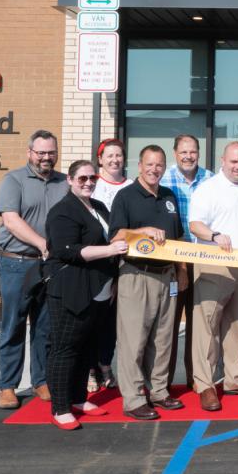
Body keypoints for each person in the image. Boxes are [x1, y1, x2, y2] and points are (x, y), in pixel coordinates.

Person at [43, 159, 127, 430]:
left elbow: (111, 238)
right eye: (82, 179)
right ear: (70, 180)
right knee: (65, 348)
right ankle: (60, 407)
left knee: (87, 347)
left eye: (92, 178)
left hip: (98, 288)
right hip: (71, 288)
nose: (88, 183)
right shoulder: (62, 212)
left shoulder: (100, 207)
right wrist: (111, 251)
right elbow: (69, 250)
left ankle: (79, 398)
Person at [108, 145, 188, 420]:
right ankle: (132, 399)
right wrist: (142, 231)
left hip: (167, 276)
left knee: (163, 340)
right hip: (136, 275)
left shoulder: (169, 196)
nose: (155, 170)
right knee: (134, 341)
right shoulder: (126, 196)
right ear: (140, 166)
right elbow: (115, 236)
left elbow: (177, 239)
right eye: (150, 165)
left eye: (160, 165)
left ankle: (160, 391)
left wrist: (182, 271)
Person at [188, 141, 238, 412]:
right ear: (223, 161)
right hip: (214, 266)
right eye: (234, 161)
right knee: (207, 328)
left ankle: (234, 378)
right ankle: (206, 384)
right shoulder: (208, 188)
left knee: (237, 325)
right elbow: (195, 224)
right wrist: (214, 236)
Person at [0, 129, 68, 410]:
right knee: (13, 325)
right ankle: (7, 386)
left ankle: (41, 380)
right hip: (17, 262)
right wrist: (42, 243)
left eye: (51, 152)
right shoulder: (13, 180)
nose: (46, 157)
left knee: (45, 327)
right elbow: (11, 221)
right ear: (30, 153)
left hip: (49, 265)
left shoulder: (64, 182)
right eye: (41, 153)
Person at [160, 133, 214, 387]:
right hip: (173, 262)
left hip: (204, 260)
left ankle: (198, 378)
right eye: (183, 152)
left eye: (192, 152)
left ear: (199, 154)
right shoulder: (163, 179)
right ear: (175, 153)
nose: (188, 156)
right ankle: (164, 382)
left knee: (200, 325)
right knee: (169, 324)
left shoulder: (211, 179)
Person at [85, 138, 131, 392]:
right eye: (109, 156)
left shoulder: (132, 186)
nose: (114, 160)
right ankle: (90, 368)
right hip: (98, 261)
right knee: (94, 318)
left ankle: (105, 364)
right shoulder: (92, 185)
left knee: (112, 321)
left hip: (123, 263)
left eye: (119, 155)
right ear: (100, 159)